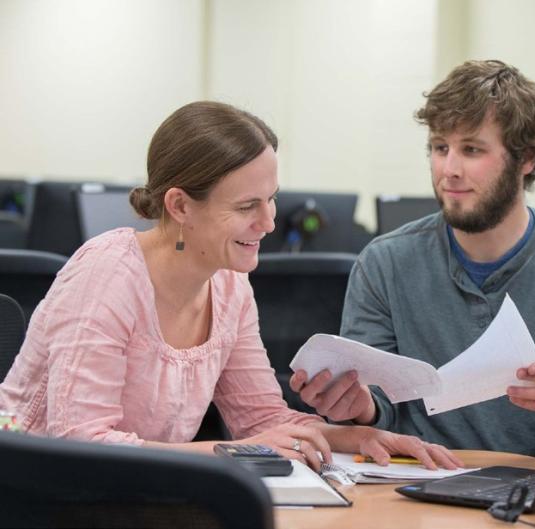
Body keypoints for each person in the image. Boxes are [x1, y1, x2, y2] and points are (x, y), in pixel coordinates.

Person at [0, 101, 462, 471]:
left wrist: (358, 436)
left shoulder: (229, 285)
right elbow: (82, 445)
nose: (269, 222)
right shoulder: (108, 275)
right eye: (246, 206)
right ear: (180, 205)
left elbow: (262, 422)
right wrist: (238, 452)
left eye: (272, 199)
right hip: (35, 494)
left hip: (133, 495)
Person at [290, 60, 535, 458]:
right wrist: (358, 408)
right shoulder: (384, 263)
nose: (449, 170)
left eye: (471, 149)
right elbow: (377, 406)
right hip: (415, 486)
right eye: (440, 148)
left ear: (526, 159)